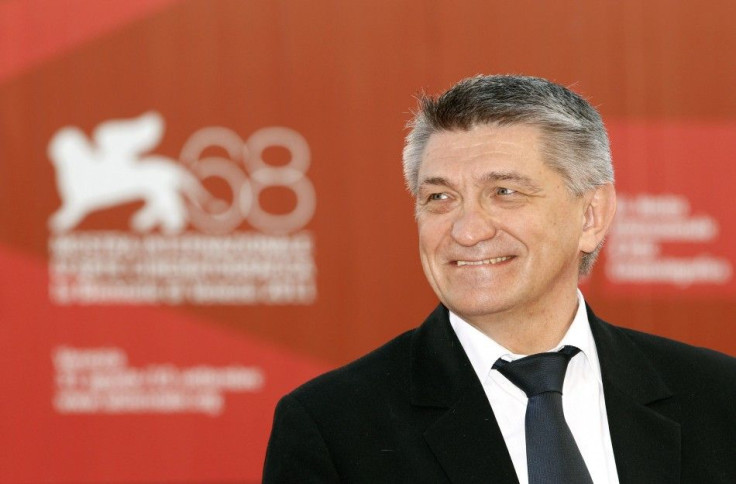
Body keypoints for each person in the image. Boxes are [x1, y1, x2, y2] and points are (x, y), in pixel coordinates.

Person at [263, 75, 736, 483]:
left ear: (592, 215)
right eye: (440, 198)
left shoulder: (718, 397)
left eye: (504, 192)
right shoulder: (334, 427)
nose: (467, 230)